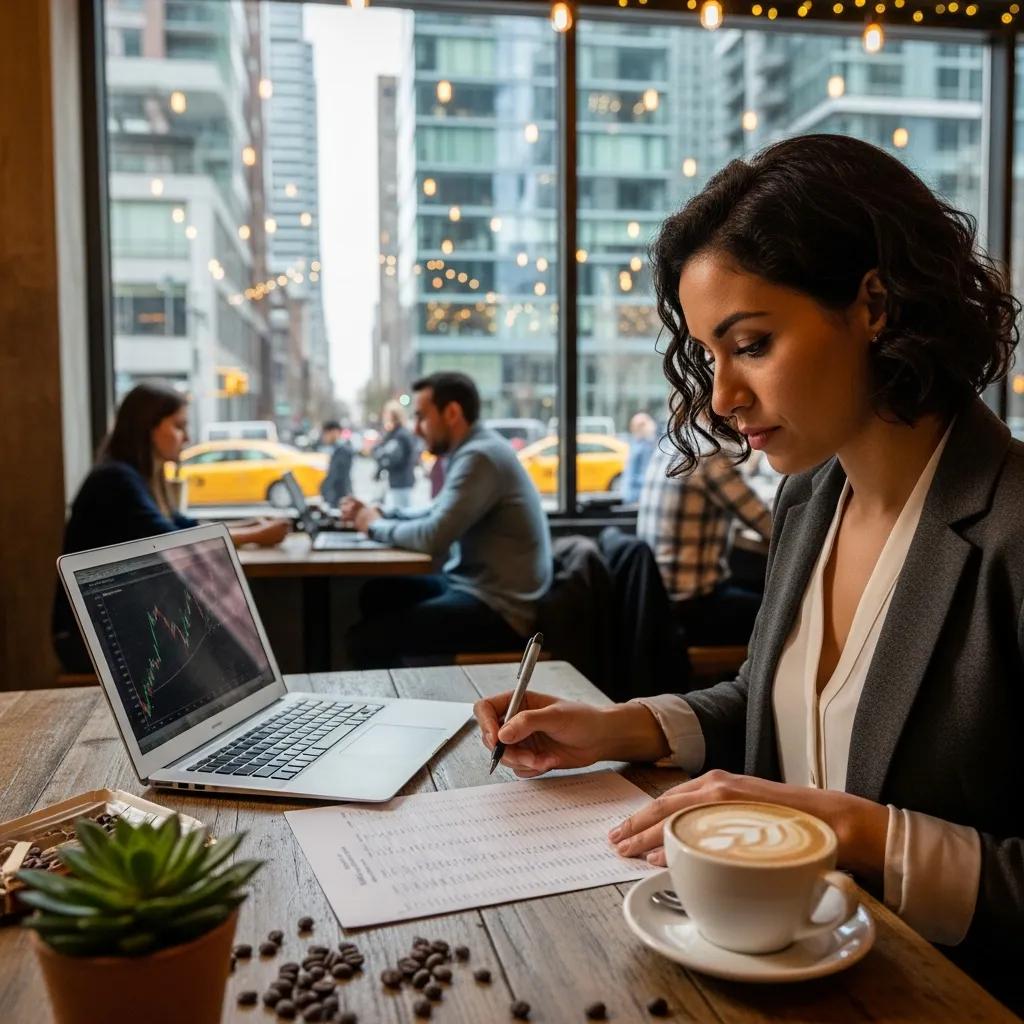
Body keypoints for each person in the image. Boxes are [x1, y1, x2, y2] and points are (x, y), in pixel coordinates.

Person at [474, 134, 1024, 1008]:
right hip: (768, 974)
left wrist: (866, 835)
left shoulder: (1011, 527)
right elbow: (775, 703)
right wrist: (618, 729)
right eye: (709, 355)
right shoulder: (812, 500)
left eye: (753, 344)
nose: (722, 397)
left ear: (875, 304)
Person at [53, 383, 290, 672]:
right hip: (91, 635)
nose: (187, 437)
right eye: (179, 426)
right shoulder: (116, 479)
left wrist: (250, 524)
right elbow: (171, 540)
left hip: (120, 620)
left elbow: (183, 524)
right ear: (148, 427)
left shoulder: (140, 477)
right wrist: (256, 535)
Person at [341, 372, 552, 666]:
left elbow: (434, 536)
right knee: (376, 594)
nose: (416, 428)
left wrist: (373, 525)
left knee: (366, 639)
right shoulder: (471, 450)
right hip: (474, 588)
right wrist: (384, 513)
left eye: (421, 417)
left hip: (501, 611)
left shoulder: (480, 457)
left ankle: (401, 696)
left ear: (452, 413)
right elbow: (435, 511)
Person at [636, 440, 771, 645]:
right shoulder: (710, 455)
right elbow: (768, 524)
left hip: (659, 602)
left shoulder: (670, 444)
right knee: (784, 612)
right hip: (692, 609)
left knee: (756, 586)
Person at [374, 400, 417, 510]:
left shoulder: (400, 435)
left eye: (386, 414)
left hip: (401, 482)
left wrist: (381, 458)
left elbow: (392, 457)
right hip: (398, 481)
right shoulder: (394, 434)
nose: (384, 418)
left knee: (402, 512)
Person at [622, 411, 657, 503]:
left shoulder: (645, 446)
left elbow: (645, 475)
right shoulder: (637, 444)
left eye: (641, 425)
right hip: (633, 496)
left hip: (637, 497)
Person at [319, 419, 353, 506]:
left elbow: (340, 477)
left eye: (325, 433)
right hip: (335, 498)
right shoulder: (335, 449)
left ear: (334, 432)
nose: (324, 437)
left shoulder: (343, 451)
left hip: (338, 499)